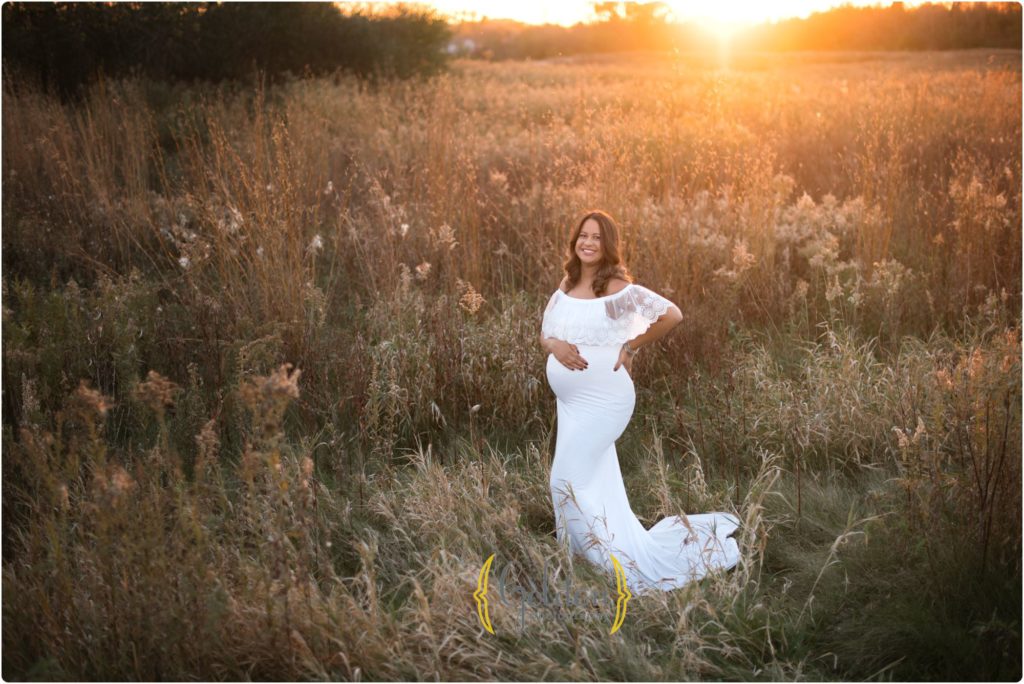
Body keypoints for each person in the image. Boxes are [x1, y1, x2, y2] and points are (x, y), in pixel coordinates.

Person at [539, 209, 742, 596]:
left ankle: (606, 567)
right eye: (584, 235)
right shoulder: (566, 285)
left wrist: (631, 347)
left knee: (564, 480)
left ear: (608, 245)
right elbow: (545, 332)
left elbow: (672, 314)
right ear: (574, 240)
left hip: (605, 402)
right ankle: (581, 556)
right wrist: (556, 346)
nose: (588, 243)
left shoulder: (615, 288)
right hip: (571, 405)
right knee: (591, 483)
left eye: (597, 237)